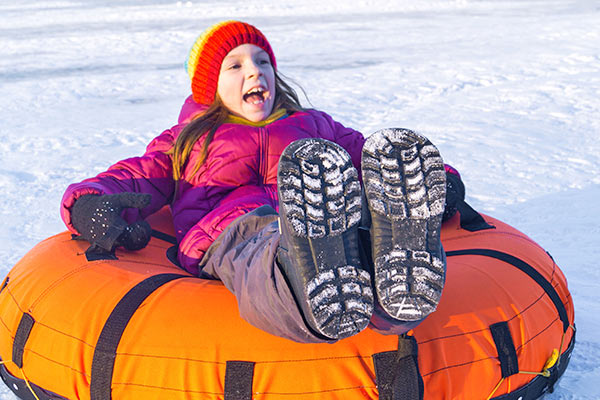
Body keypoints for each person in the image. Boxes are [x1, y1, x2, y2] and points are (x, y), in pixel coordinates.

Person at [61, 20, 456, 343]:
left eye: (262, 61)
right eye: (235, 66)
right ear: (209, 86)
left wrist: (441, 185)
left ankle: (395, 280)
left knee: (353, 211)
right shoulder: (190, 139)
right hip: (237, 230)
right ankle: (307, 287)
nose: (255, 71)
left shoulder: (313, 125)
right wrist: (87, 202)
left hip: (329, 213)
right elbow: (135, 175)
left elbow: (374, 156)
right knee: (259, 256)